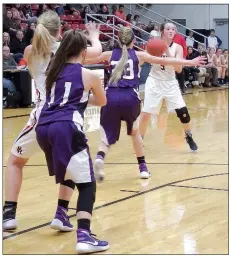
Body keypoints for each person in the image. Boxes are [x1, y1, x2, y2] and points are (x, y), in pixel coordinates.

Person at [3, 10, 103, 232]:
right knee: (71, 163)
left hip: (40, 116)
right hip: (63, 114)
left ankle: (8, 213)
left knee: (15, 161)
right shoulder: (67, 52)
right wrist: (94, 35)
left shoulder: (30, 51)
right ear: (60, 30)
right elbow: (96, 51)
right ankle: (61, 212)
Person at [84, 26, 206, 181]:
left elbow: (88, 58)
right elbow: (164, 60)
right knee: (135, 132)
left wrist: (62, 58)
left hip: (112, 97)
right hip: (131, 97)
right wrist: (191, 61)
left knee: (106, 136)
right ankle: (143, 168)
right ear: (134, 41)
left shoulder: (109, 54)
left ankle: (100, 158)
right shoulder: (139, 54)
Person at [35, 29, 108, 254]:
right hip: (66, 126)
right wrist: (87, 95)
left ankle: (61, 214)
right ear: (84, 51)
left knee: (71, 170)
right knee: (88, 184)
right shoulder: (89, 75)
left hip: (43, 127)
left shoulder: (52, 71)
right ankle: (84, 236)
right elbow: (102, 101)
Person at [139, 22, 201, 152]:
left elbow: (178, 69)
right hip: (154, 81)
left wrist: (167, 52)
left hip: (170, 82)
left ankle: (188, 136)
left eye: (173, 29)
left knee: (183, 113)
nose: (171, 31)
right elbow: (142, 60)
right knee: (145, 114)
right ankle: (139, 140)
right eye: (168, 29)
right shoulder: (154, 44)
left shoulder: (178, 47)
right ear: (162, 31)